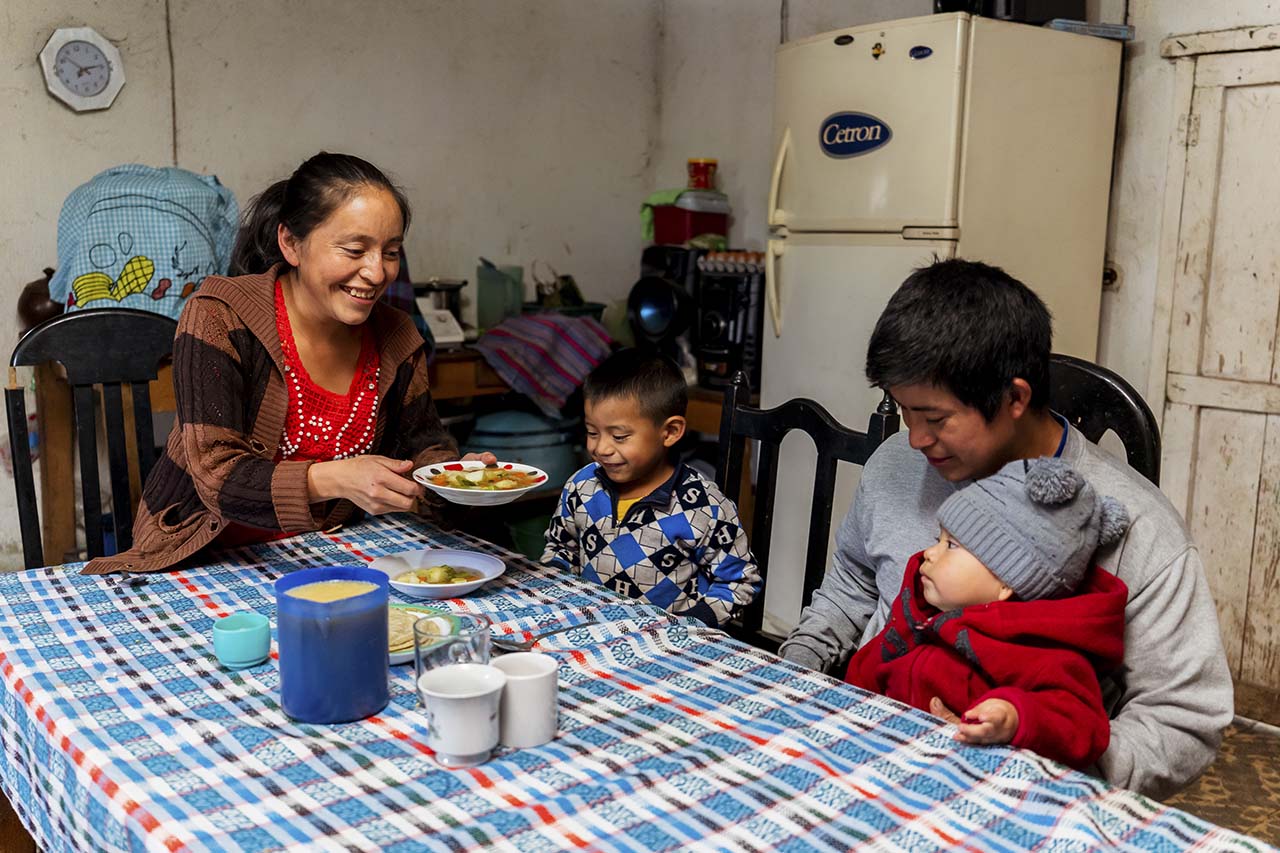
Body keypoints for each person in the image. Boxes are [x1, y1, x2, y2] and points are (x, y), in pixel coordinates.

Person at [778, 258, 1232, 799]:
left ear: (1015, 398)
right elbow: (852, 585)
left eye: (936, 418)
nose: (916, 439)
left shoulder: (1139, 530)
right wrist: (796, 669)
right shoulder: (895, 463)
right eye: (904, 413)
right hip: (865, 754)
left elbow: (1184, 721)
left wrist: (1036, 758)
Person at [84, 152, 489, 575]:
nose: (376, 272)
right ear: (291, 244)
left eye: (390, 252)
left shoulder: (397, 336)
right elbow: (216, 475)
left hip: (332, 550)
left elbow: (421, 446)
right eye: (355, 250)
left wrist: (456, 477)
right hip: (205, 557)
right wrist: (336, 478)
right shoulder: (219, 316)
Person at [846, 456, 1130, 771]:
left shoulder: (1040, 653)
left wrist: (1014, 717)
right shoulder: (921, 613)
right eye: (936, 540)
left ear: (1007, 581)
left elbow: (1080, 723)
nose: (929, 552)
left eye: (951, 546)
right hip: (880, 755)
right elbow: (869, 668)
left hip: (964, 782)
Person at [540, 348, 760, 627]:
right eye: (592, 432)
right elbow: (561, 549)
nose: (600, 448)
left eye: (619, 437)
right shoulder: (581, 486)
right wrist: (554, 582)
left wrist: (690, 625)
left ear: (669, 432)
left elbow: (739, 581)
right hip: (588, 630)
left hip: (668, 647)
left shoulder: (703, 507)